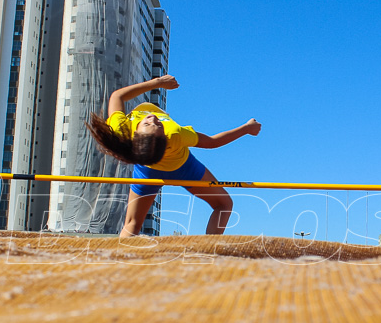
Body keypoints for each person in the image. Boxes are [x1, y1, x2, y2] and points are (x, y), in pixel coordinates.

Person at [85, 75, 261, 237]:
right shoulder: (174, 133)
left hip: (151, 170)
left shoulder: (122, 131)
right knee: (224, 205)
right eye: (155, 124)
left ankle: (117, 263)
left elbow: (117, 96)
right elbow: (212, 142)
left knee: (132, 224)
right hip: (183, 168)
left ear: (136, 136)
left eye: (150, 123)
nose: (153, 118)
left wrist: (157, 83)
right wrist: (246, 128)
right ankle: (209, 254)